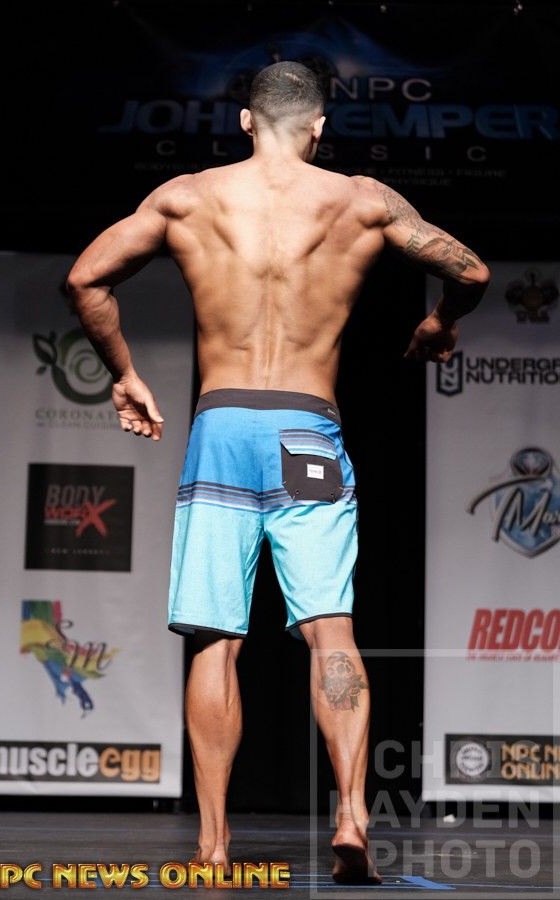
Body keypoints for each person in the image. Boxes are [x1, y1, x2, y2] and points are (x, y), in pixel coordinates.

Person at [66, 60, 489, 884]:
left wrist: (124, 373)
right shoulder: (361, 202)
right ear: (320, 127)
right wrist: (440, 322)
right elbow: (470, 270)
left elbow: (86, 278)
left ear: (247, 121)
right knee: (331, 630)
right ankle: (352, 816)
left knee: (216, 640)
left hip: (222, 428)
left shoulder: (188, 197)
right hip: (308, 432)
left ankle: (213, 843)